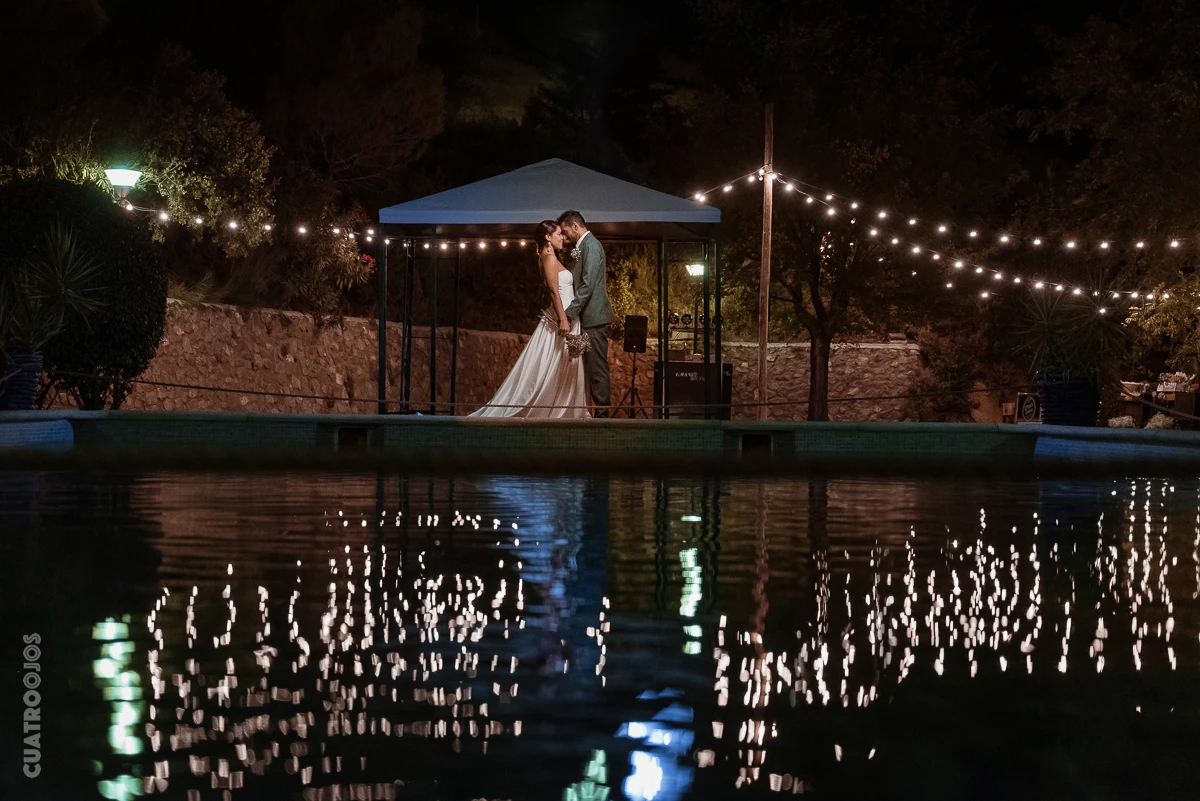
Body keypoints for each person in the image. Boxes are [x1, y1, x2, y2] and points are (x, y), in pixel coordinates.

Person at [468, 220, 590, 418]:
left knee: (563, 364)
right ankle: (551, 408)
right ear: (547, 237)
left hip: (569, 316)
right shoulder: (548, 258)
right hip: (562, 318)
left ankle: (565, 407)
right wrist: (563, 319)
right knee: (549, 364)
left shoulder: (552, 257)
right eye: (558, 234)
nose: (562, 237)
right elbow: (553, 292)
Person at [557, 210, 614, 417]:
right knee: (587, 370)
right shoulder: (582, 247)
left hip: (595, 318)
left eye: (565, 231)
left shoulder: (591, 246)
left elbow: (588, 285)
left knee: (597, 369)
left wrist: (569, 312)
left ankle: (602, 418)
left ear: (575, 226)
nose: (564, 237)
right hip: (586, 318)